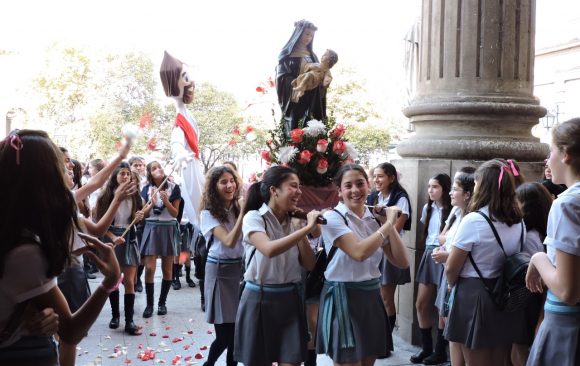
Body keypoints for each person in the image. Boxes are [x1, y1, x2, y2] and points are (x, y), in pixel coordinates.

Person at [0, 129, 121, 366]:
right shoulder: (25, 253)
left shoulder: (17, 230)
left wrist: (30, 309)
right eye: (61, 164)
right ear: (46, 178)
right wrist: (110, 281)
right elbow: (70, 331)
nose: (68, 170)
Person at [317, 164, 409, 366]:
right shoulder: (333, 218)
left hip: (370, 297)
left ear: (368, 186)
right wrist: (387, 225)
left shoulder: (373, 220)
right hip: (343, 298)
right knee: (349, 362)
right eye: (348, 186)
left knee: (368, 361)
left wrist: (387, 223)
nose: (355, 190)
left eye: (360, 184)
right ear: (339, 191)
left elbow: (402, 262)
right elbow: (359, 252)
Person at [445, 159, 528, 366]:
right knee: (500, 359)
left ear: (482, 187)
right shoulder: (519, 221)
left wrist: (450, 284)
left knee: (475, 360)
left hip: (473, 295)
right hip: (504, 295)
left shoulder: (473, 220)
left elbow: (451, 267)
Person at [234, 166, 319, 366]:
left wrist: (301, 230)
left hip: (290, 298)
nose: (299, 192)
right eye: (293, 186)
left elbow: (309, 264)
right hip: (259, 299)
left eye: (299, 187)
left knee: (291, 361)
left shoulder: (295, 221)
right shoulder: (254, 218)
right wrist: (306, 228)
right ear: (274, 190)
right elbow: (269, 249)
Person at [526, 118, 580, 366]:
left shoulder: (567, 204)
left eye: (551, 151)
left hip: (567, 327)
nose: (548, 160)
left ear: (566, 154)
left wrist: (538, 258)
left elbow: (568, 291)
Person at [200, 166, 245, 366]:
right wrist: (244, 213)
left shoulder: (239, 206)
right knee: (224, 335)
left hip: (241, 272)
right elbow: (228, 241)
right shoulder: (208, 213)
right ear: (214, 187)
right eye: (223, 182)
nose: (229, 186)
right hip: (218, 271)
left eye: (231, 180)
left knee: (236, 335)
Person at [366, 162, 412, 355]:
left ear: (391, 178)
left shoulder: (400, 199)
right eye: (375, 176)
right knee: (377, 298)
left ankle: (386, 342)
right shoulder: (373, 197)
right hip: (375, 248)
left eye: (381, 176)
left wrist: (383, 216)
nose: (376, 180)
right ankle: (380, 340)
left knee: (386, 298)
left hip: (391, 251)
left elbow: (395, 229)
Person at [95, 162, 145, 335]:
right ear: (115, 176)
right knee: (114, 280)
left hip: (129, 238)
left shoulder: (136, 196)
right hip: (112, 239)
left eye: (127, 174)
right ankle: (115, 316)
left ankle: (129, 320)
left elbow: (138, 217)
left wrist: (139, 217)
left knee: (130, 281)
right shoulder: (105, 197)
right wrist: (113, 237)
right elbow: (99, 224)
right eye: (122, 173)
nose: (125, 177)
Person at [432, 172, 475, 366]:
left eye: (455, 189)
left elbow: (472, 255)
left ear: (467, 194)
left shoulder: (472, 219)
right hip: (449, 271)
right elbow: (444, 238)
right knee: (447, 321)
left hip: (458, 276)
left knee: (454, 327)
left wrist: (447, 255)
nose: (450, 193)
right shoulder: (457, 213)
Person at [411, 173, 452, 364]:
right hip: (429, 253)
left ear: (445, 188)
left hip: (445, 254)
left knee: (441, 306)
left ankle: (440, 350)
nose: (430, 190)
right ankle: (426, 348)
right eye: (429, 186)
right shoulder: (428, 208)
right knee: (421, 303)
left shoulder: (453, 211)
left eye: (435, 187)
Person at [160, 51, 205, 226]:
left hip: (194, 164)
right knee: (199, 209)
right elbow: (176, 140)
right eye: (184, 77)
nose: (190, 82)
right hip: (189, 166)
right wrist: (179, 153)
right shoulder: (180, 120)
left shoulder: (187, 114)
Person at [140, 161, 181, 318]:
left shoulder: (173, 187)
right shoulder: (146, 189)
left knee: (167, 269)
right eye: (154, 168)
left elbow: (175, 213)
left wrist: (165, 202)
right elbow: (143, 213)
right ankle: (149, 304)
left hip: (168, 227)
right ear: (150, 173)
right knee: (149, 268)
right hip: (151, 227)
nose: (159, 169)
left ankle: (162, 303)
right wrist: (151, 202)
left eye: (160, 167)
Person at [277, 19, 327, 136]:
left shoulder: (313, 56)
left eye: (311, 35)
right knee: (294, 129)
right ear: (298, 33)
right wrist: (298, 84)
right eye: (307, 34)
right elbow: (281, 77)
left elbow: (320, 73)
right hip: (295, 97)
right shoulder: (286, 54)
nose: (309, 37)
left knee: (310, 125)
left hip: (311, 97)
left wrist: (319, 81)